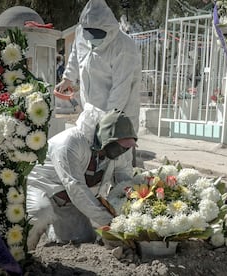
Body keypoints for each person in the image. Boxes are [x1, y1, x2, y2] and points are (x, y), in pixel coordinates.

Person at [26, 104, 138, 251]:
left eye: (127, 147)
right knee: (41, 214)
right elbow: (75, 187)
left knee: (84, 239)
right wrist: (111, 222)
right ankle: (21, 254)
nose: (124, 151)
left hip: (67, 201)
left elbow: (123, 183)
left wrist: (132, 214)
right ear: (106, 139)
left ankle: (54, 227)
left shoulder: (121, 152)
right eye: (121, 146)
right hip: (41, 188)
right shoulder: (68, 143)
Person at [55, 0, 142, 167]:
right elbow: (75, 56)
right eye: (89, 34)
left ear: (108, 30)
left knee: (119, 161)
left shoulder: (124, 47)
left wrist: (106, 124)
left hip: (120, 113)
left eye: (98, 35)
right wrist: (67, 78)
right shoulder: (81, 33)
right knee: (92, 160)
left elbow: (120, 89)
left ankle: (122, 190)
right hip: (91, 108)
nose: (92, 40)